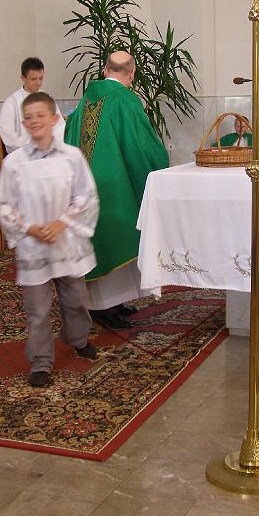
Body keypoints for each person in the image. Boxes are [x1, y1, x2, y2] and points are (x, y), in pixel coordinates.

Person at [0, 91, 99, 388]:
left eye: (40, 115)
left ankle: (78, 338)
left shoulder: (72, 157)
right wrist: (27, 228)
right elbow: (5, 204)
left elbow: (86, 197)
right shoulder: (14, 163)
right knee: (37, 310)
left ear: (55, 119)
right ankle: (41, 361)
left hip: (66, 242)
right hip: (33, 247)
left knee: (76, 299)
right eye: (28, 117)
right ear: (23, 124)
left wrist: (61, 223)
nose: (34, 121)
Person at [65, 51, 169, 330]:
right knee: (120, 236)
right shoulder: (125, 100)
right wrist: (159, 165)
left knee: (103, 242)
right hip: (114, 187)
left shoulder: (85, 101)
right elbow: (141, 146)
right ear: (132, 73)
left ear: (104, 69)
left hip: (85, 186)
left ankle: (111, 301)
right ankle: (103, 307)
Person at [0, 57, 66, 153]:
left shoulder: (48, 99)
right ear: (23, 79)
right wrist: (36, 147)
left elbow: (60, 128)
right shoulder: (11, 103)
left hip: (50, 153)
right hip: (23, 155)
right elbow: (10, 138)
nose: (38, 83)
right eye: (33, 79)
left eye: (40, 78)